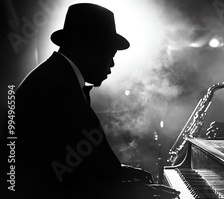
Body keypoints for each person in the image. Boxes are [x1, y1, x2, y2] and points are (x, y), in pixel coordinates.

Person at [14, 3, 178, 199]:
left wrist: (118, 172)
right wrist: (129, 192)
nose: (112, 64)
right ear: (90, 47)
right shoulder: (55, 86)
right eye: (110, 54)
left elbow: (70, 162)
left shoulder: (58, 76)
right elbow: (45, 181)